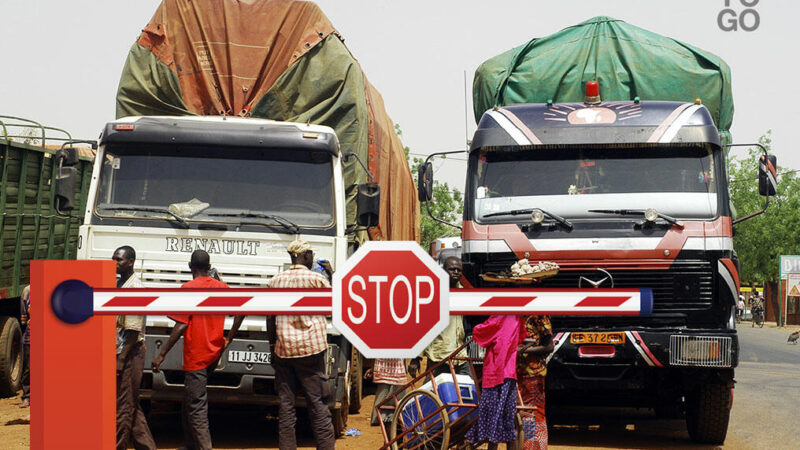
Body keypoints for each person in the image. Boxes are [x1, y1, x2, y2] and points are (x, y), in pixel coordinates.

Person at [152, 250, 240, 450]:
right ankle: (191, 445)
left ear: (190, 266)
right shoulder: (222, 287)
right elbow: (241, 311)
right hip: (214, 352)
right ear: (209, 268)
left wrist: (161, 354)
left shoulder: (188, 289)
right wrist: (230, 338)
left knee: (196, 405)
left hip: (197, 356)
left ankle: (203, 447)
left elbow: (180, 325)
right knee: (189, 399)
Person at [268, 239, 335, 450]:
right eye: (311, 254)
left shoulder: (275, 281)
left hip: (284, 351)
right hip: (311, 351)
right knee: (318, 404)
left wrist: (272, 347)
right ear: (305, 256)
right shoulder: (317, 280)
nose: (313, 258)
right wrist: (332, 275)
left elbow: (270, 318)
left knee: (286, 407)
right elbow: (333, 309)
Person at [113, 246, 156, 450]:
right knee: (131, 403)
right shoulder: (119, 284)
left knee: (123, 407)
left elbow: (132, 329)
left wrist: (121, 359)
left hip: (130, 353)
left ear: (130, 262)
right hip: (122, 351)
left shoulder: (135, 288)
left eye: (118, 260)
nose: (114, 263)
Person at [465, 315, 524, 449]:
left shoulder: (499, 317)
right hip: (510, 374)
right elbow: (521, 336)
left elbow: (478, 332)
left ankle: (473, 439)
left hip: (495, 374)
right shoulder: (517, 318)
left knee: (493, 419)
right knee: (507, 421)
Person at [408, 256, 469, 378]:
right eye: (452, 269)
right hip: (440, 356)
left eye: (459, 270)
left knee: (468, 390)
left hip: (460, 356)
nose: (456, 272)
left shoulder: (463, 293)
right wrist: (416, 358)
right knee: (433, 392)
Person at [517, 316, 554, 450]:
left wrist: (522, 350)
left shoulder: (539, 316)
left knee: (534, 415)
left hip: (534, 375)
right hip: (517, 374)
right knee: (523, 416)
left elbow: (549, 346)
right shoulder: (516, 316)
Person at [366, 358, 407, 426]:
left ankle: (381, 419)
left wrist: (373, 368)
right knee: (398, 404)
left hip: (383, 370)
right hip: (397, 372)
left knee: (383, 399)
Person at [19, 285, 30, 408]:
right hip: (31, 336)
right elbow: (23, 316)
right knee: (29, 367)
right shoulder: (28, 291)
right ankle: (27, 396)